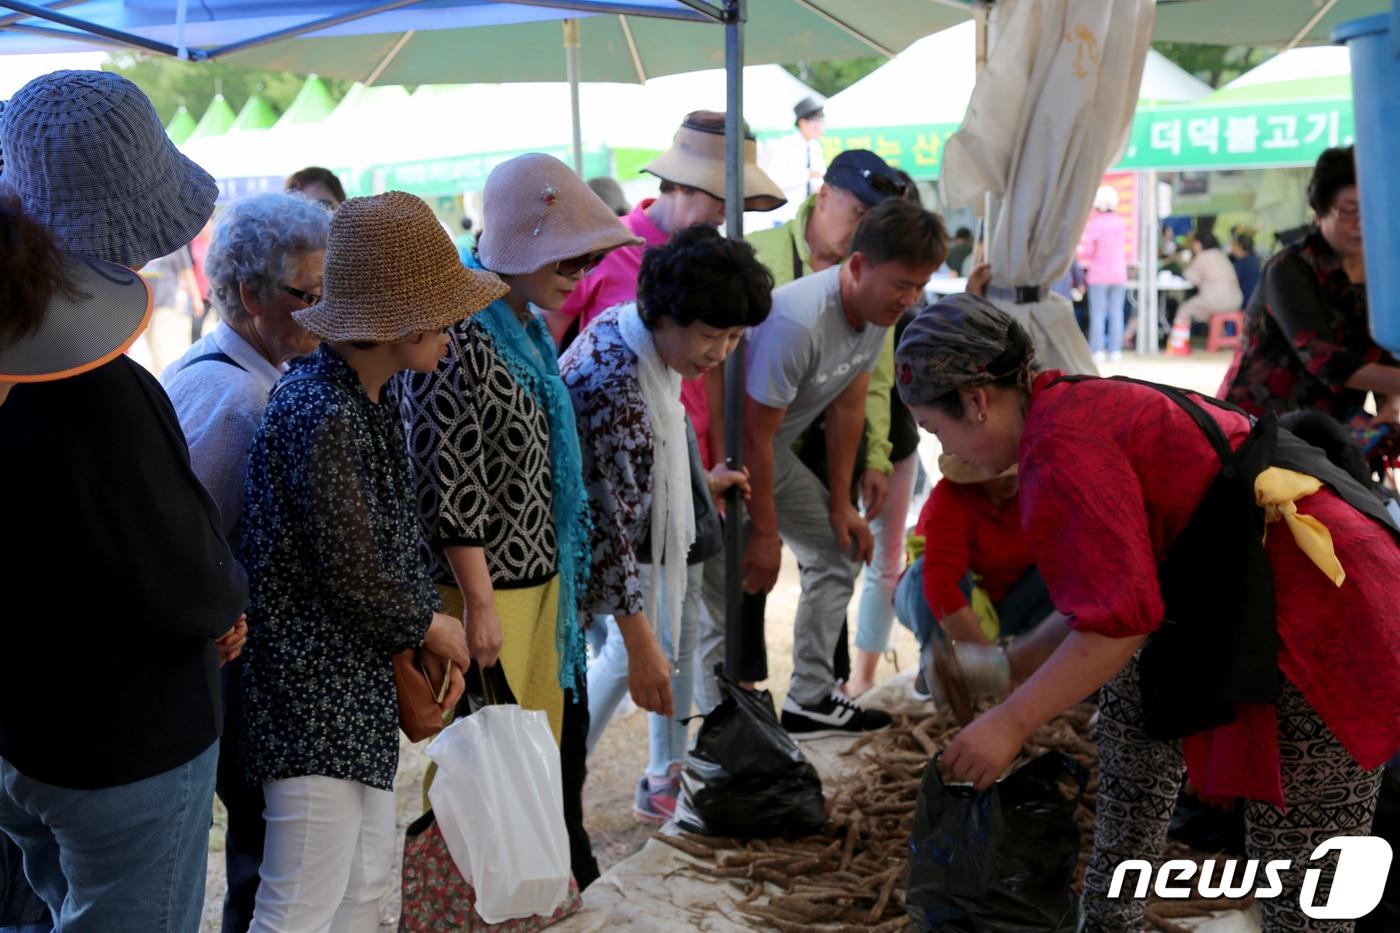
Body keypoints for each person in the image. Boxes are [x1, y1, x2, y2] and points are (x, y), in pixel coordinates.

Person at [897, 293, 1400, 932]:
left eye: (938, 429)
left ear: (975, 401)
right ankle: (1109, 921)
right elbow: (1112, 602)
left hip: (1326, 605)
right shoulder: (1065, 405)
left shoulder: (1061, 447)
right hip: (1237, 586)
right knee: (1131, 717)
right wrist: (1005, 668)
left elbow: (1121, 625)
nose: (946, 451)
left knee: (1303, 877)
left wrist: (1008, 723)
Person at [0, 70, 248, 931]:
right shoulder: (97, 391)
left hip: (23, 731)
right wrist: (224, 601)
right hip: (117, 741)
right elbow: (182, 572)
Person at [394, 153, 644, 888]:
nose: (582, 268)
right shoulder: (461, 329)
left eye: (590, 255)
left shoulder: (524, 324)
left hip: (533, 592)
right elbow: (446, 476)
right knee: (485, 781)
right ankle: (478, 905)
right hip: (485, 595)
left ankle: (528, 899)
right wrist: (475, 604)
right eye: (568, 252)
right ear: (521, 241)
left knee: (528, 772)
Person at [237, 191, 482, 930]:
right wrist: (434, 625)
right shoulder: (322, 407)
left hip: (346, 696)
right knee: (302, 902)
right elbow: (353, 573)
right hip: (312, 700)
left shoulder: (355, 397)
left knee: (362, 892)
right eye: (442, 310)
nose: (452, 327)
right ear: (400, 320)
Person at [700, 198, 946, 736]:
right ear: (857, 266)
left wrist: (841, 505)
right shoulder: (798, 319)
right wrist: (765, 532)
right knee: (719, 596)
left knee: (840, 548)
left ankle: (810, 699)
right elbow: (752, 437)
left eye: (919, 286)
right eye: (900, 284)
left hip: (769, 454)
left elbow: (848, 404)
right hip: (723, 460)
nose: (908, 299)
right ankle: (712, 740)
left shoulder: (878, 312)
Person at [159, 191, 330, 933]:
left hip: (229, 671)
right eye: (307, 294)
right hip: (227, 674)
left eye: (330, 292)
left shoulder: (239, 375)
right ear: (251, 294)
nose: (322, 311)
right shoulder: (236, 404)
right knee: (263, 874)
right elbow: (190, 555)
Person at [563, 225, 770, 822]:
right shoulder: (618, 384)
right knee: (636, 658)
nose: (721, 351)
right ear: (663, 312)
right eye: (711, 334)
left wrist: (698, 484)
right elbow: (608, 524)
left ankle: (662, 771)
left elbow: (641, 470)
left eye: (733, 336)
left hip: (640, 527)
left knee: (667, 642)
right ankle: (564, 780)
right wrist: (636, 635)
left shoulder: (639, 339)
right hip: (595, 541)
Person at [555, 111, 784, 467]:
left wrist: (721, 457)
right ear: (681, 183)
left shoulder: (717, 260)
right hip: (612, 452)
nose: (728, 212)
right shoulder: (603, 245)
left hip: (693, 453)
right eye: (721, 196)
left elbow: (715, 381)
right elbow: (550, 348)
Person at [1220, 146, 1400, 438]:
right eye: (1349, 212)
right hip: (1262, 428)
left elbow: (1390, 351)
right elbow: (1324, 358)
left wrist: (1390, 405)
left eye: (1373, 210)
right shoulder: (1289, 268)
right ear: (1319, 212)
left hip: (1334, 430)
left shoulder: (1386, 271)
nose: (1362, 224)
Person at [894, 455, 1061, 700]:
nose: (1012, 478)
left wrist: (1007, 665)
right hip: (944, 605)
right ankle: (935, 663)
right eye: (1001, 473)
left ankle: (1027, 662)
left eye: (1015, 470)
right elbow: (942, 583)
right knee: (924, 571)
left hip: (1005, 604)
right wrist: (992, 665)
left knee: (1058, 575)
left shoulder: (1038, 490)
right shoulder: (950, 495)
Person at [1076, 184, 1129, 362]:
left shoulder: (1095, 224)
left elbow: (1089, 251)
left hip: (1098, 274)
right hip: (1119, 274)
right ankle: (1116, 351)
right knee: (1117, 312)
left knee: (1097, 313)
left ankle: (1097, 350)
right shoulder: (1121, 223)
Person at [760, 95, 827, 225]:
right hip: (786, 216)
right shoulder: (784, 146)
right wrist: (807, 174)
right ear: (802, 123)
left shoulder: (815, 147)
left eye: (821, 122)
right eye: (816, 122)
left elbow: (818, 177)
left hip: (808, 215)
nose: (820, 127)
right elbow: (775, 180)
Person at [1175, 228, 1243, 328]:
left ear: (1198, 243)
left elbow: (1189, 277)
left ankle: (1178, 342)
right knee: (1210, 317)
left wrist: (1184, 263)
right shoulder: (1221, 255)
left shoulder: (1202, 256)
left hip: (1217, 301)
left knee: (1184, 310)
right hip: (1235, 300)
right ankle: (1221, 341)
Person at [1230, 228, 1262, 307]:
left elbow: (1230, 281)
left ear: (1239, 246)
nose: (1231, 247)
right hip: (1256, 302)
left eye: (1233, 244)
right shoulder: (1254, 260)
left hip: (1246, 304)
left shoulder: (1242, 264)